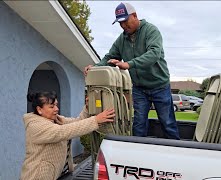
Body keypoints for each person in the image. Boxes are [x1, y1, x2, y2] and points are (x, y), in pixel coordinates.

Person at [84, 2, 180, 139]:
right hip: (139, 89)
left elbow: (154, 54)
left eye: (125, 21)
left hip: (160, 86)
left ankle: (176, 153)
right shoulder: (121, 40)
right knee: (138, 124)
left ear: (134, 16)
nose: (123, 25)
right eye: (120, 23)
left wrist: (129, 64)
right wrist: (95, 67)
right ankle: (138, 154)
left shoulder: (151, 31)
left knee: (168, 122)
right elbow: (110, 57)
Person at [20, 91, 115, 180]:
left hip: (55, 175)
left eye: (56, 105)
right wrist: (96, 120)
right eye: (52, 106)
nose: (56, 109)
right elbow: (64, 131)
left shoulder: (56, 120)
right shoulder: (35, 126)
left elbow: (76, 122)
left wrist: (87, 108)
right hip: (37, 176)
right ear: (39, 109)